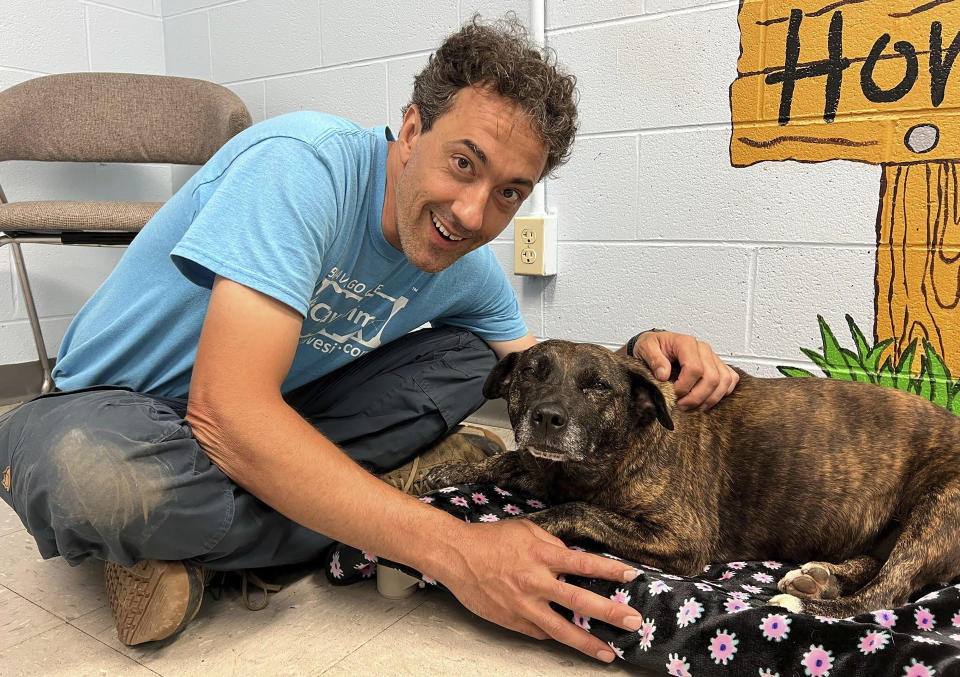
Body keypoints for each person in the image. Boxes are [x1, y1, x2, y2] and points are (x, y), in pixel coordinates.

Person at [0, 15, 737, 662]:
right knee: (94, 480)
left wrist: (641, 354)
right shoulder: (303, 167)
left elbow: (542, 374)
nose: (474, 213)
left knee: (468, 359)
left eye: (510, 192)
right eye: (463, 163)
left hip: (272, 407)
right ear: (411, 129)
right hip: (118, 408)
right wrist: (452, 549)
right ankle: (348, 502)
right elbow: (223, 411)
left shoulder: (467, 264)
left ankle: (206, 540)